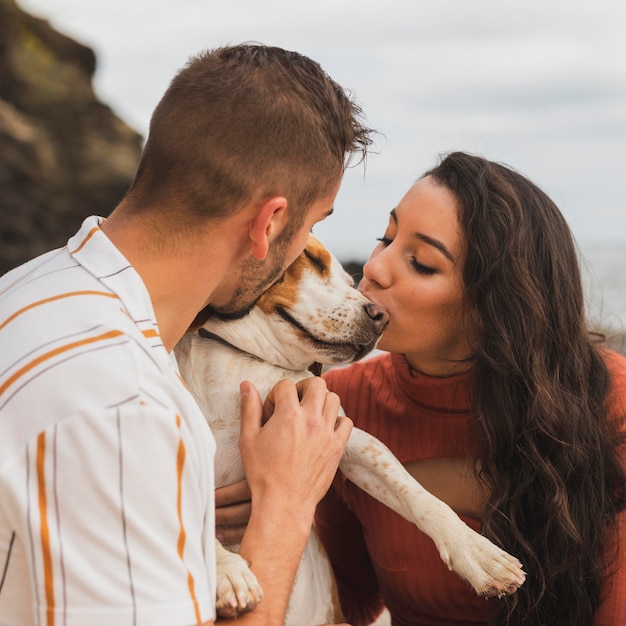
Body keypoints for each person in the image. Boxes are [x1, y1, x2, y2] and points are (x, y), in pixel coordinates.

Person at [0, 44, 374, 625]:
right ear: (270, 223)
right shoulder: (126, 408)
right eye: (311, 229)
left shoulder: (26, 291)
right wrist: (286, 504)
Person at [311, 151, 626, 625]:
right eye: (387, 237)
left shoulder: (609, 399)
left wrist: (398, 480)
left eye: (421, 263)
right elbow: (346, 602)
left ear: (494, 307)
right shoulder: (342, 402)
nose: (374, 268)